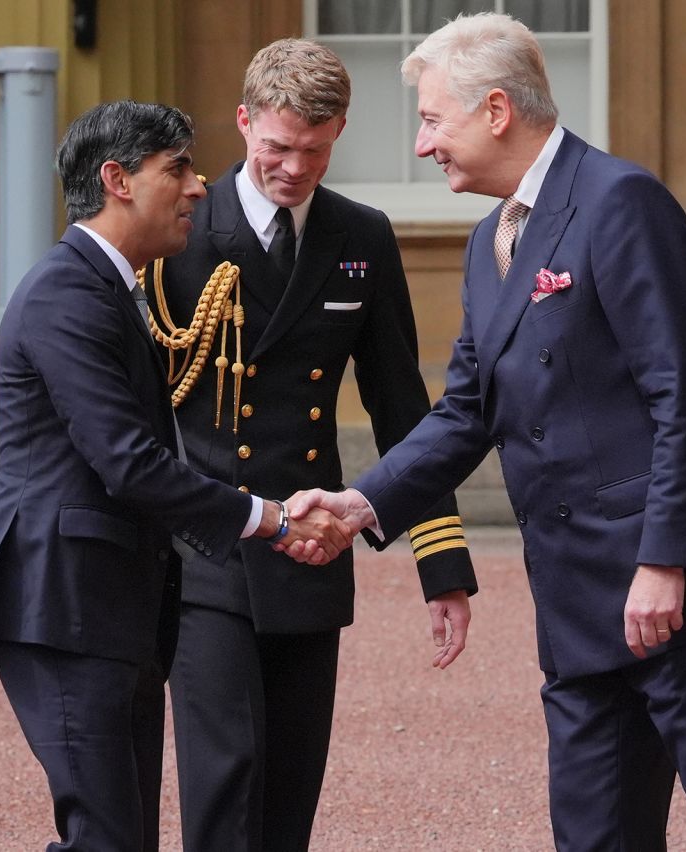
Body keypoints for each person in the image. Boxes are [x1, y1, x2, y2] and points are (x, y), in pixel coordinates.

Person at [288, 13, 686, 851]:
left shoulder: (622, 201)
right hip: (578, 604)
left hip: (681, 591)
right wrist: (363, 501)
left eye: (433, 120)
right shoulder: (488, 243)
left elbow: (684, 398)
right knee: (593, 835)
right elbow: (465, 411)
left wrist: (664, 560)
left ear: (497, 110)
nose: (422, 145)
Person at [0, 100, 349, 852]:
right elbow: (130, 463)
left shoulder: (110, 287)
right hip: (63, 601)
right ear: (117, 180)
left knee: (120, 837)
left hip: (108, 606)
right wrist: (273, 518)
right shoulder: (67, 293)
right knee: (104, 837)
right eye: (177, 170)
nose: (198, 188)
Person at [141, 39, 477, 851]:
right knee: (226, 784)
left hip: (312, 548)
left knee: (291, 791)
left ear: (341, 134)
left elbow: (403, 405)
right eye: (277, 148)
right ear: (244, 121)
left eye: (316, 151)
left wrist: (442, 564)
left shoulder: (361, 235)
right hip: (206, 546)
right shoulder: (180, 230)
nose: (294, 168)